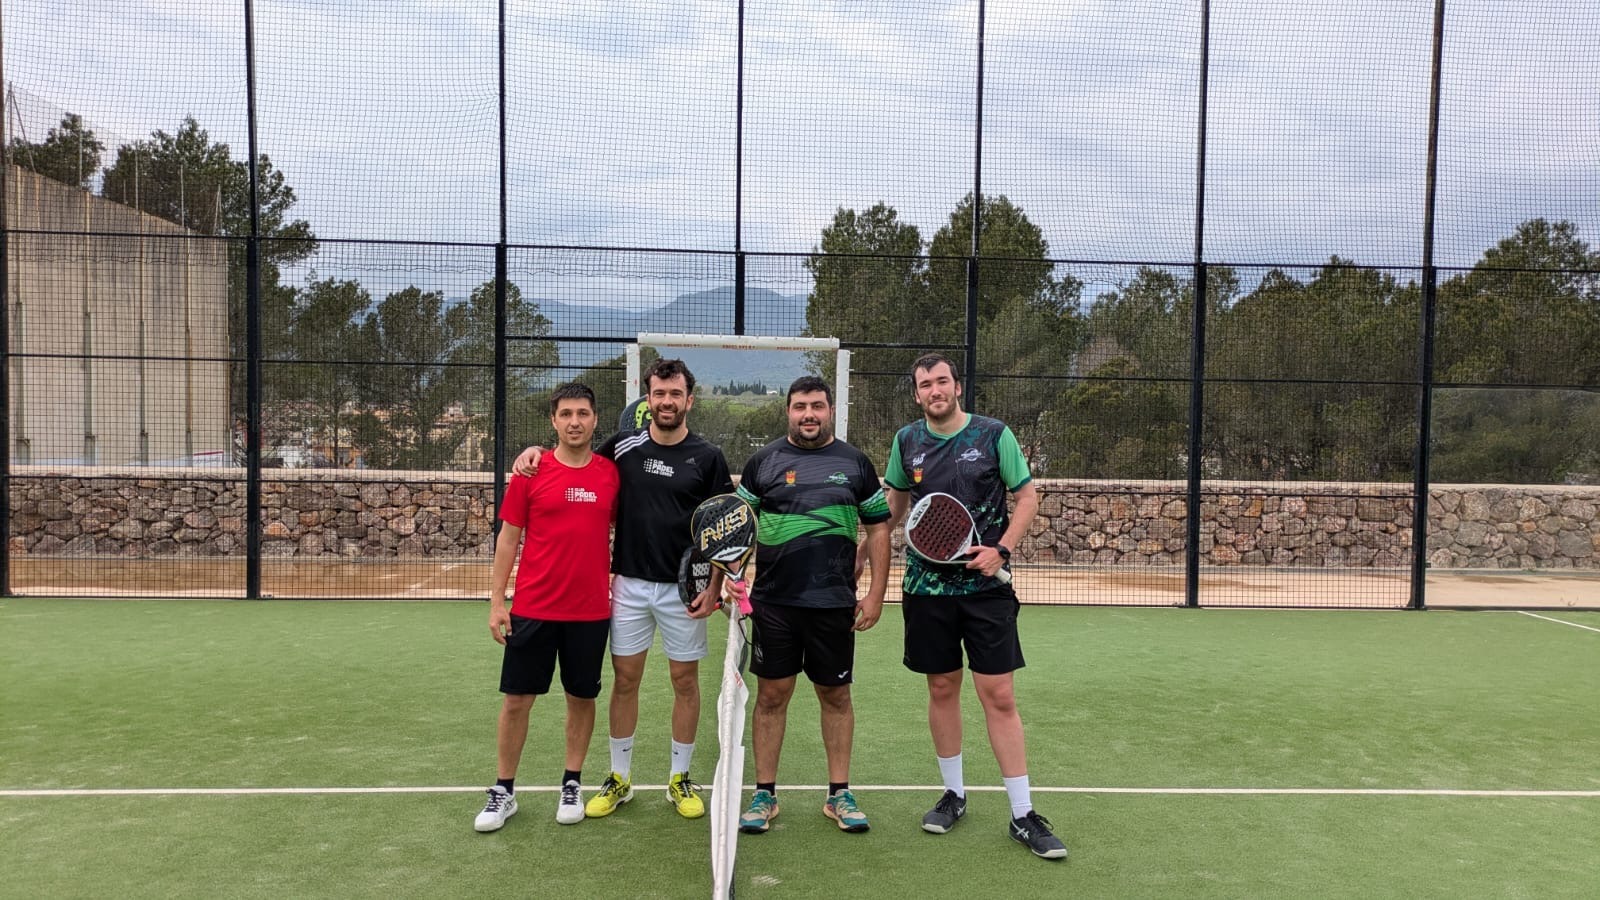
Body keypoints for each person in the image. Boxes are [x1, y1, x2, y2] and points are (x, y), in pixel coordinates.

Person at [512, 358, 737, 820]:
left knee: (685, 682)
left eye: (675, 394)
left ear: (689, 400)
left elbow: (721, 527)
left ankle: (679, 778)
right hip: (629, 586)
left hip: (684, 590)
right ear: (648, 399)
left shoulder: (709, 456)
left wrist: (714, 587)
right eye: (659, 394)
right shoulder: (624, 446)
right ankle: (619, 778)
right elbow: (574, 455)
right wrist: (534, 451)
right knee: (625, 681)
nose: (667, 402)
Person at [876, 352, 1067, 860]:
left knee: (998, 695)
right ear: (917, 394)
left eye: (942, 381)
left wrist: (1001, 549)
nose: (935, 391)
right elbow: (895, 506)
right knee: (941, 688)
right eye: (925, 385)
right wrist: (861, 547)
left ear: (957, 387)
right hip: (925, 590)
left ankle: (1023, 814)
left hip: (986, 592)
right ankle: (953, 795)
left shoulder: (993, 434)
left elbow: (1026, 497)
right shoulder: (906, 442)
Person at [735, 376, 891, 836]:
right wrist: (732, 579)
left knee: (836, 696)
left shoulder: (855, 462)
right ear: (788, 411)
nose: (809, 414)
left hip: (833, 604)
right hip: (773, 604)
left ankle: (839, 793)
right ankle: (764, 794)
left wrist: (876, 594)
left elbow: (878, 529)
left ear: (830, 411)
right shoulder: (763, 462)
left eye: (817, 406)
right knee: (771, 697)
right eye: (800, 406)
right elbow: (739, 524)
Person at [474, 382, 620, 832]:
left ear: (595, 419)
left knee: (581, 698)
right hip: (533, 609)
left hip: (590, 612)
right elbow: (508, 540)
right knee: (517, 700)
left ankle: (572, 783)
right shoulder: (530, 472)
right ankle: (504, 791)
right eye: (566, 414)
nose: (575, 422)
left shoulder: (611, 475)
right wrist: (497, 602)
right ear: (554, 421)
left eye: (583, 413)